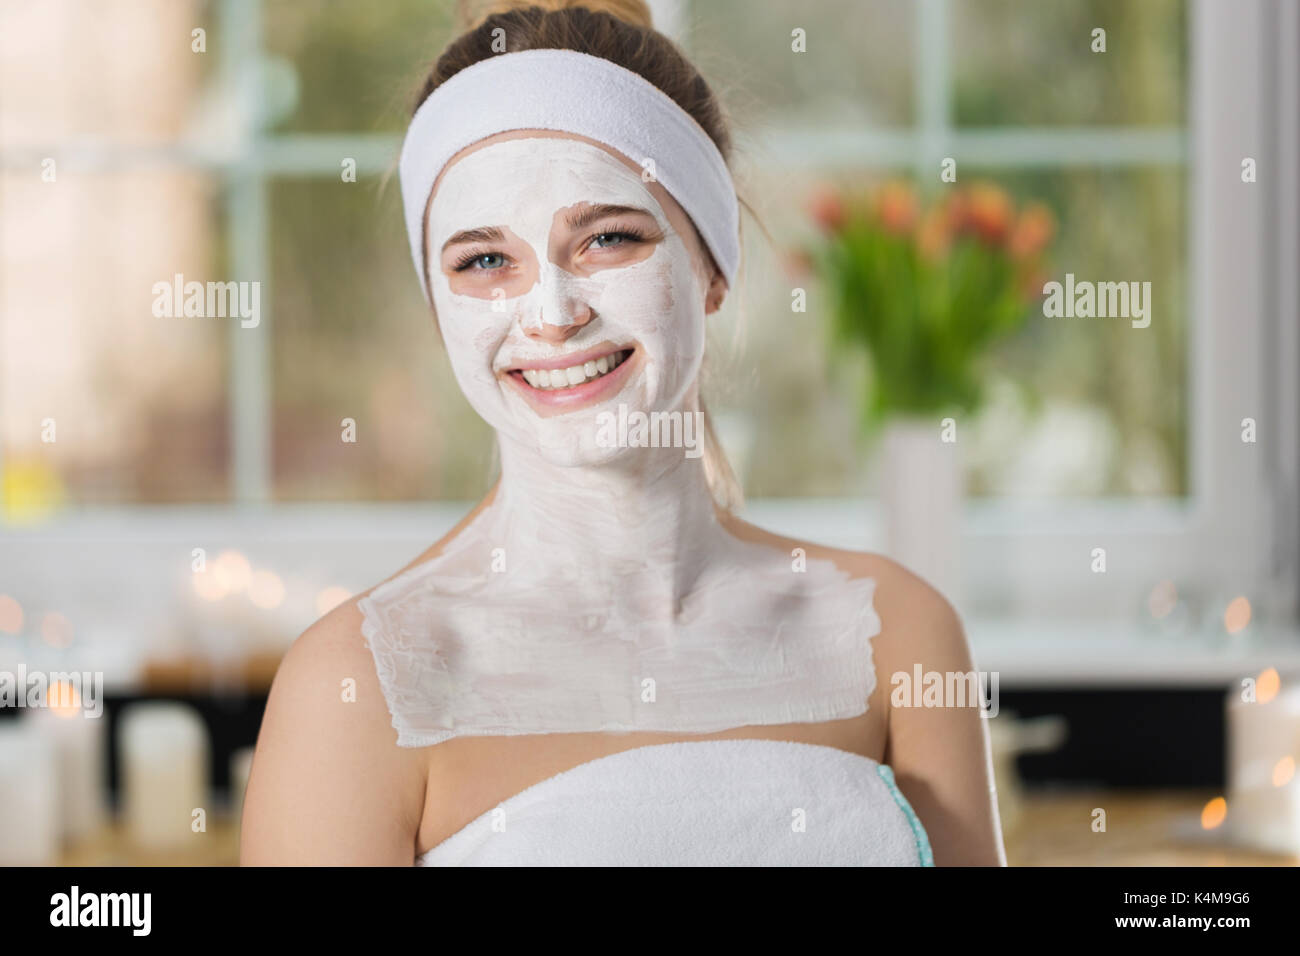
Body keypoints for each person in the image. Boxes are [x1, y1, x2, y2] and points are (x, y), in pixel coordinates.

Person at [241, 0, 1004, 866]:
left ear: (714, 265)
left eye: (607, 237)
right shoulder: (359, 687)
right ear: (436, 302)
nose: (552, 314)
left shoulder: (897, 635)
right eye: (484, 261)